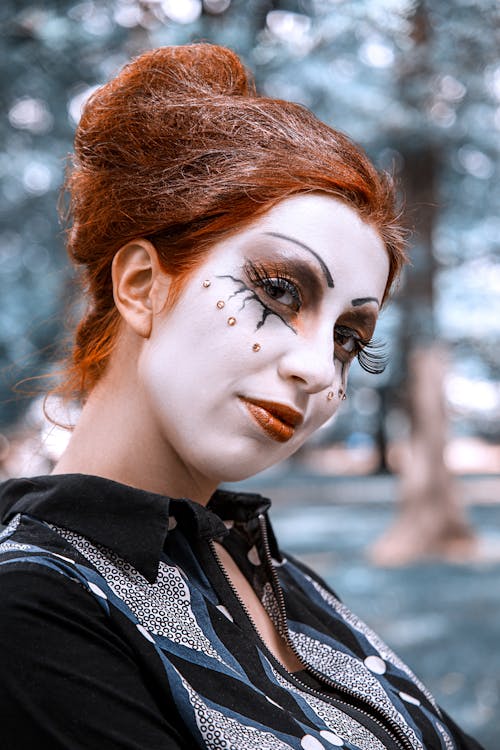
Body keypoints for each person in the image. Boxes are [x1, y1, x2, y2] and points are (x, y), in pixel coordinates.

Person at [0, 43, 483, 750]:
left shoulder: (278, 577)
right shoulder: (34, 611)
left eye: (349, 336)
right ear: (141, 286)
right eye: (281, 291)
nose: (320, 369)